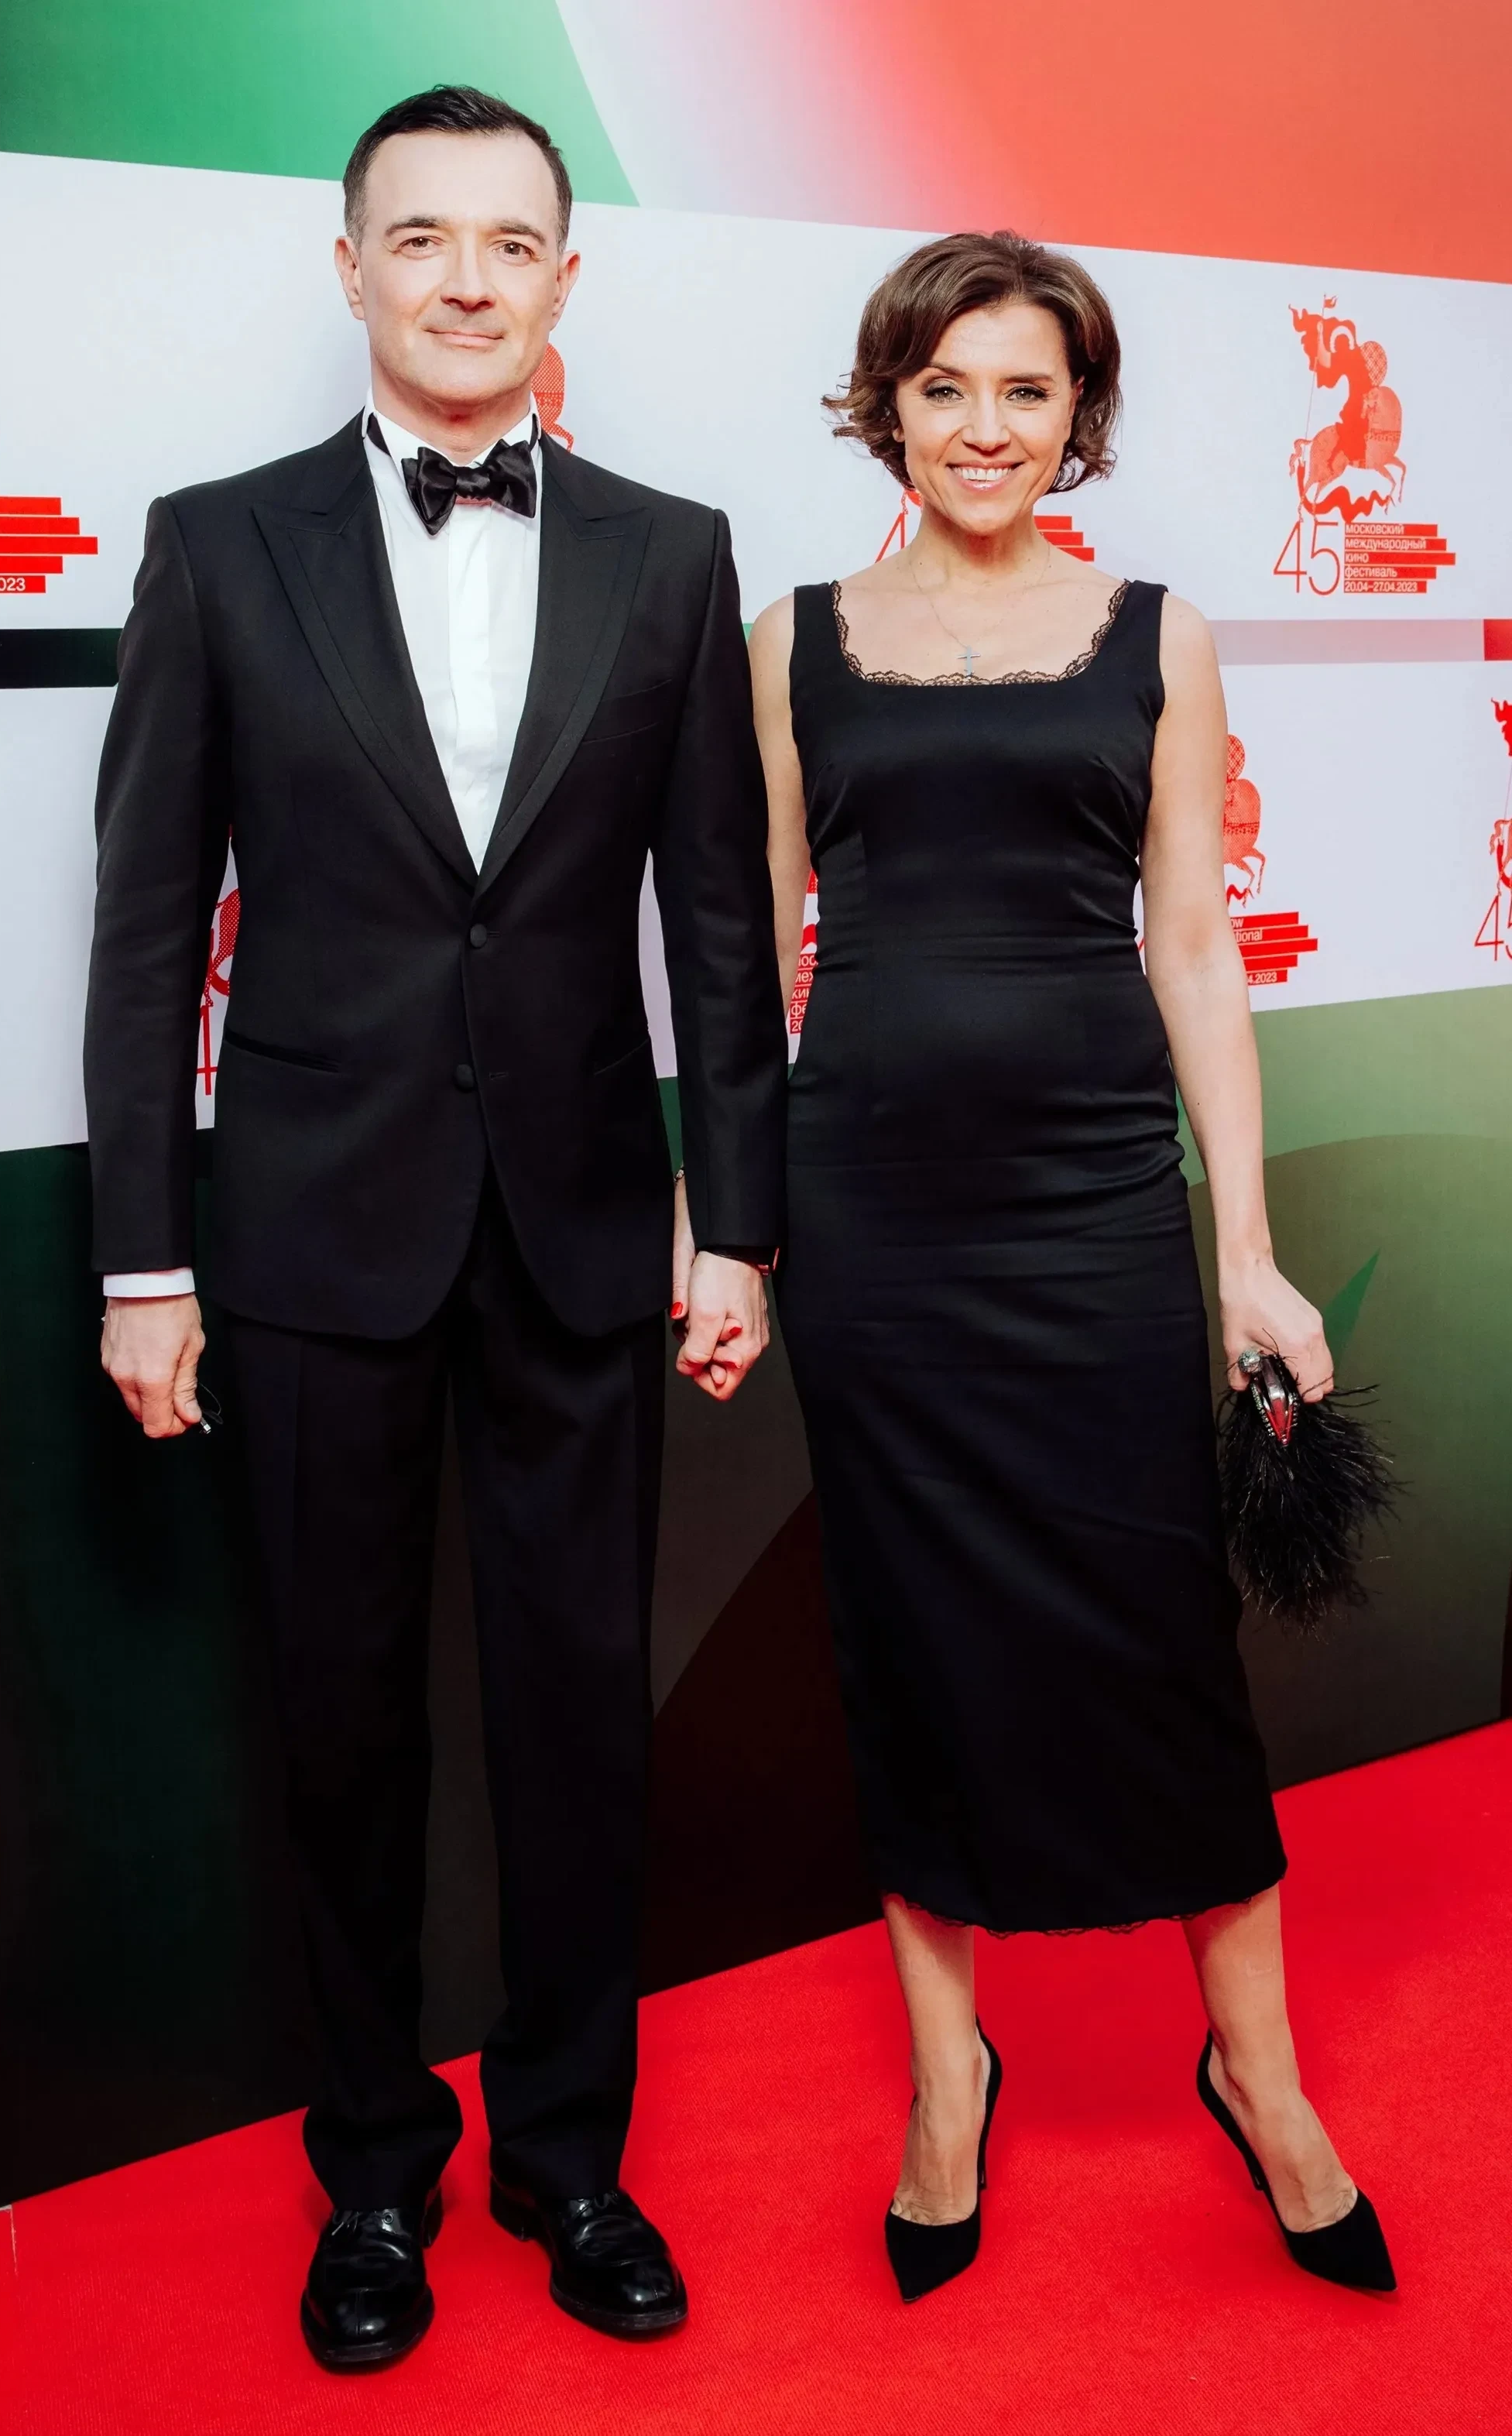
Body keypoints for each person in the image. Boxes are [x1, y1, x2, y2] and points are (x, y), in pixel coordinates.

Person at [86, 85, 787, 2369]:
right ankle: (373, 2177)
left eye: (509, 241)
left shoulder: (672, 554)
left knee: (583, 1722)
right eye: (422, 238)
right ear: (354, 269)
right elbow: (143, 932)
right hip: (308, 1236)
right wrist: (144, 1261)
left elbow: (718, 919)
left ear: (567, 275)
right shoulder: (218, 544)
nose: (467, 279)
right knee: (340, 1725)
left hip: (586, 1232)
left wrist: (736, 1224)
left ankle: (573, 2159)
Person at [751, 232, 1394, 2303]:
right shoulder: (790, 642)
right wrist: (724, 1223)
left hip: (1098, 1208)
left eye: (1025, 390)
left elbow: (1194, 943)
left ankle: (1258, 2073)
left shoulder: (1156, 636)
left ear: (1076, 415)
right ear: (888, 404)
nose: (984, 427)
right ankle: (950, 2076)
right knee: (910, 1630)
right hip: (872, 1218)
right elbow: (751, 952)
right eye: (944, 387)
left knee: (1161, 1633)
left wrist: (1249, 1254)